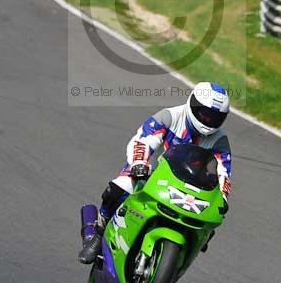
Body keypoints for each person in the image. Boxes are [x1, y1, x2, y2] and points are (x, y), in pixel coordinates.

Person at [78, 82, 232, 264]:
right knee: (118, 189)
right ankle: (99, 232)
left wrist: (222, 197)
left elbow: (224, 172)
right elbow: (143, 141)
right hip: (151, 175)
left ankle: (175, 266)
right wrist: (140, 163)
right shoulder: (170, 116)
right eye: (204, 113)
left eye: (214, 117)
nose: (207, 120)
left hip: (190, 189)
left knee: (209, 225)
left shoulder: (219, 140)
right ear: (193, 103)